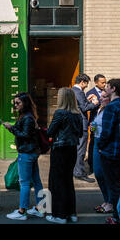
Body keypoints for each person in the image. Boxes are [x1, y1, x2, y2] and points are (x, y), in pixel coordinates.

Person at [3, 92, 44, 221]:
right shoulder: (26, 116)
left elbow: (25, 135)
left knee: (24, 183)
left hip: (27, 153)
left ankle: (22, 211)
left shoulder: (27, 118)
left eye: (18, 103)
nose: (15, 105)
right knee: (36, 180)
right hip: (31, 152)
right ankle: (40, 208)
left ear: (25, 103)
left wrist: (11, 128)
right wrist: (12, 128)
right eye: (14, 103)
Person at [46, 87, 83, 224]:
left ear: (62, 99)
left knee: (58, 182)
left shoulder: (60, 113)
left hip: (60, 149)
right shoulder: (77, 114)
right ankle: (71, 213)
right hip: (72, 149)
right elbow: (79, 133)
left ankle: (60, 215)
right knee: (68, 181)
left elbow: (50, 132)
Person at [98, 78, 120, 224]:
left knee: (113, 186)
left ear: (113, 89)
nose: (105, 89)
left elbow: (106, 132)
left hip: (111, 152)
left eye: (107, 87)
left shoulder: (112, 107)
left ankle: (116, 216)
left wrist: (100, 145)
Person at [71, 73, 98, 182]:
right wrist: (95, 103)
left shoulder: (72, 90)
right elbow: (84, 107)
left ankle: (75, 170)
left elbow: (79, 104)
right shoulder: (78, 92)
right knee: (81, 150)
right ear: (82, 82)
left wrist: (87, 99)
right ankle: (79, 173)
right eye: (86, 84)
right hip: (81, 125)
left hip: (75, 124)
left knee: (77, 149)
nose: (86, 86)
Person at [91, 90, 113, 214]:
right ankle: (106, 200)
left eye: (104, 97)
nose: (101, 99)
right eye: (101, 97)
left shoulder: (111, 111)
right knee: (98, 173)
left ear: (109, 99)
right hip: (96, 141)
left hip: (105, 143)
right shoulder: (100, 109)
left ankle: (110, 202)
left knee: (106, 174)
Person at [86, 74, 106, 174]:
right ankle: (91, 164)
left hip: (104, 123)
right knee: (93, 142)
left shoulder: (106, 92)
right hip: (94, 123)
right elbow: (88, 107)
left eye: (105, 82)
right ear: (96, 82)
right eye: (102, 83)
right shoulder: (90, 93)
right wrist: (98, 102)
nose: (104, 84)